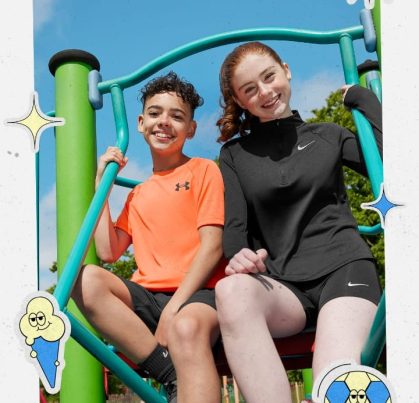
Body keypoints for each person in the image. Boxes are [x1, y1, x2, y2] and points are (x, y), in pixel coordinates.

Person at [214, 42, 382, 403]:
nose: (265, 92)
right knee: (231, 290)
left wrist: (364, 100)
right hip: (284, 287)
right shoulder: (234, 155)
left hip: (344, 270)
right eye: (250, 89)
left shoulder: (328, 135)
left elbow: (395, 166)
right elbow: (235, 228)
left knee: (331, 387)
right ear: (240, 101)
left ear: (286, 71)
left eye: (269, 77)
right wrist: (239, 255)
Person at [72, 71, 225, 403]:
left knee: (187, 326)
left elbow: (213, 246)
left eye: (177, 116)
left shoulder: (203, 170)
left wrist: (174, 309)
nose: (164, 122)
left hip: (197, 295)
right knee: (84, 280)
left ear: (191, 129)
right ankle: (169, 372)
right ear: (141, 123)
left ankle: (177, 373)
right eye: (155, 113)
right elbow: (108, 250)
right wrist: (102, 184)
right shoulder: (137, 194)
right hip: (149, 299)